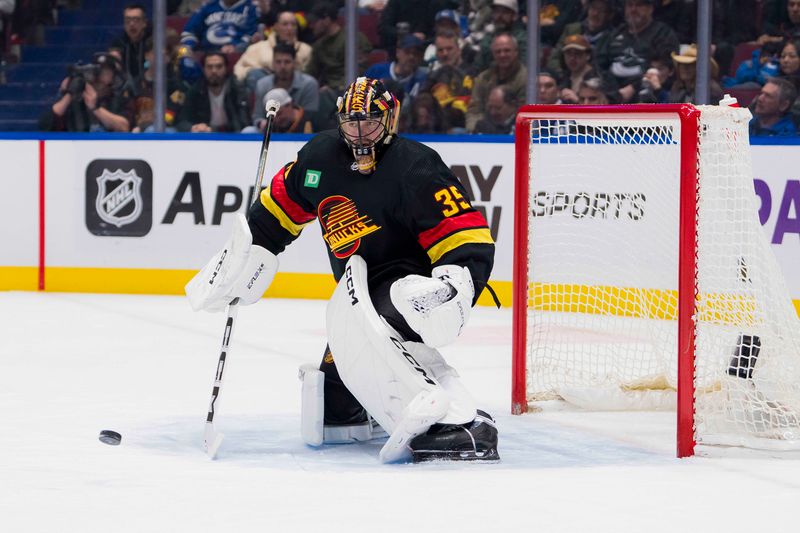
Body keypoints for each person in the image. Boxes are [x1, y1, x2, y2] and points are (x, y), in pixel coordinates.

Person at [185, 77, 499, 463]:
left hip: (406, 286)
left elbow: (466, 236)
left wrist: (454, 285)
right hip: (356, 293)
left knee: (381, 331)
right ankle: (373, 406)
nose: (360, 133)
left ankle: (463, 423)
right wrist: (241, 258)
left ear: (389, 119)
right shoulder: (319, 158)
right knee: (334, 411)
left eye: (370, 122)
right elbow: (274, 217)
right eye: (351, 123)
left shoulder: (416, 166)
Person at [594, 0, 679, 103]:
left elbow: (664, 67)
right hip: (612, 94)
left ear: (650, 8)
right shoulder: (614, 34)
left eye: (639, 5)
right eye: (630, 5)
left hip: (646, 95)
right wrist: (613, 92)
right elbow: (599, 64)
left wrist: (634, 87)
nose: (633, 9)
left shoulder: (662, 34)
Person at [40, 52, 133, 132]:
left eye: (105, 72)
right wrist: (69, 94)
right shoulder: (76, 99)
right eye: (97, 70)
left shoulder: (120, 100)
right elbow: (45, 125)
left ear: (114, 77)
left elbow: (124, 127)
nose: (99, 75)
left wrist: (95, 108)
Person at [233, 10, 313, 94]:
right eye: (285, 24)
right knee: (255, 74)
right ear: (276, 27)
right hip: (263, 90)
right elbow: (239, 70)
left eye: (293, 25)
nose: (290, 28)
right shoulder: (257, 48)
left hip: (294, 92)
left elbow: (309, 75)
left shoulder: (306, 49)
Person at [175, 52, 251, 133]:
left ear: (226, 68)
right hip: (203, 136)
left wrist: (214, 129)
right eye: (209, 67)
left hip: (232, 137)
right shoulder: (196, 90)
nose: (214, 71)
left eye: (219, 66)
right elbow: (182, 120)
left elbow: (243, 122)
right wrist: (193, 128)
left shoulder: (237, 89)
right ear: (203, 69)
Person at [466, 33, 527, 132]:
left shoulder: (527, 79)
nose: (502, 55)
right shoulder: (483, 78)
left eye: (507, 50)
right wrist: (474, 130)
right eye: (498, 52)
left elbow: (523, 112)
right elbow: (474, 110)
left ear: (516, 52)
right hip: (485, 131)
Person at [252, 42, 319, 128]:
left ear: (295, 63)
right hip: (270, 130)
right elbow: (257, 117)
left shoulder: (309, 84)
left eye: (287, 62)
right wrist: (263, 124)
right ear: (272, 63)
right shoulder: (262, 84)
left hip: (299, 131)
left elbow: (311, 118)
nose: (282, 66)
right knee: (248, 130)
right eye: (278, 62)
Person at [546, 0, 617, 77]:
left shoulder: (614, 37)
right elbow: (554, 58)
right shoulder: (572, 29)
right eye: (593, 8)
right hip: (567, 78)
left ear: (610, 15)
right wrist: (561, 75)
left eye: (601, 11)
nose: (595, 14)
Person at [365, 34, 429, 111]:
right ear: (398, 52)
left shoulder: (422, 79)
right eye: (407, 52)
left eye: (416, 54)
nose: (411, 57)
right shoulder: (376, 70)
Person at [180, 0, 258, 53]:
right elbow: (189, 31)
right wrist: (188, 47)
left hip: (237, 53)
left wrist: (237, 47)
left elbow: (253, 34)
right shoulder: (208, 6)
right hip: (206, 53)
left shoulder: (251, 8)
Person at [474, 0, 527, 73]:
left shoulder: (523, 38)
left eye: (505, 12)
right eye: (496, 12)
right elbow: (478, 66)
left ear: (514, 16)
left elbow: (525, 66)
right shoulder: (488, 38)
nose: (499, 16)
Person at [109, 3, 152, 81]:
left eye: (136, 20)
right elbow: (114, 56)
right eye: (128, 20)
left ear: (144, 23)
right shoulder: (120, 42)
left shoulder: (153, 40)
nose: (131, 24)